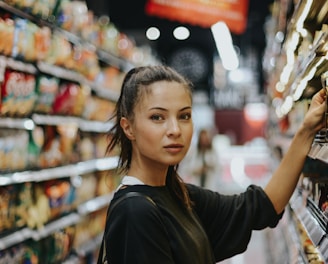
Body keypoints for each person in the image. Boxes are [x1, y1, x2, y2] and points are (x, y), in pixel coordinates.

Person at [97, 65, 326, 264]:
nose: (175, 130)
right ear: (128, 127)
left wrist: (307, 130)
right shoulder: (136, 212)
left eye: (184, 116)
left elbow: (261, 207)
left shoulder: (178, 194)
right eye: (158, 117)